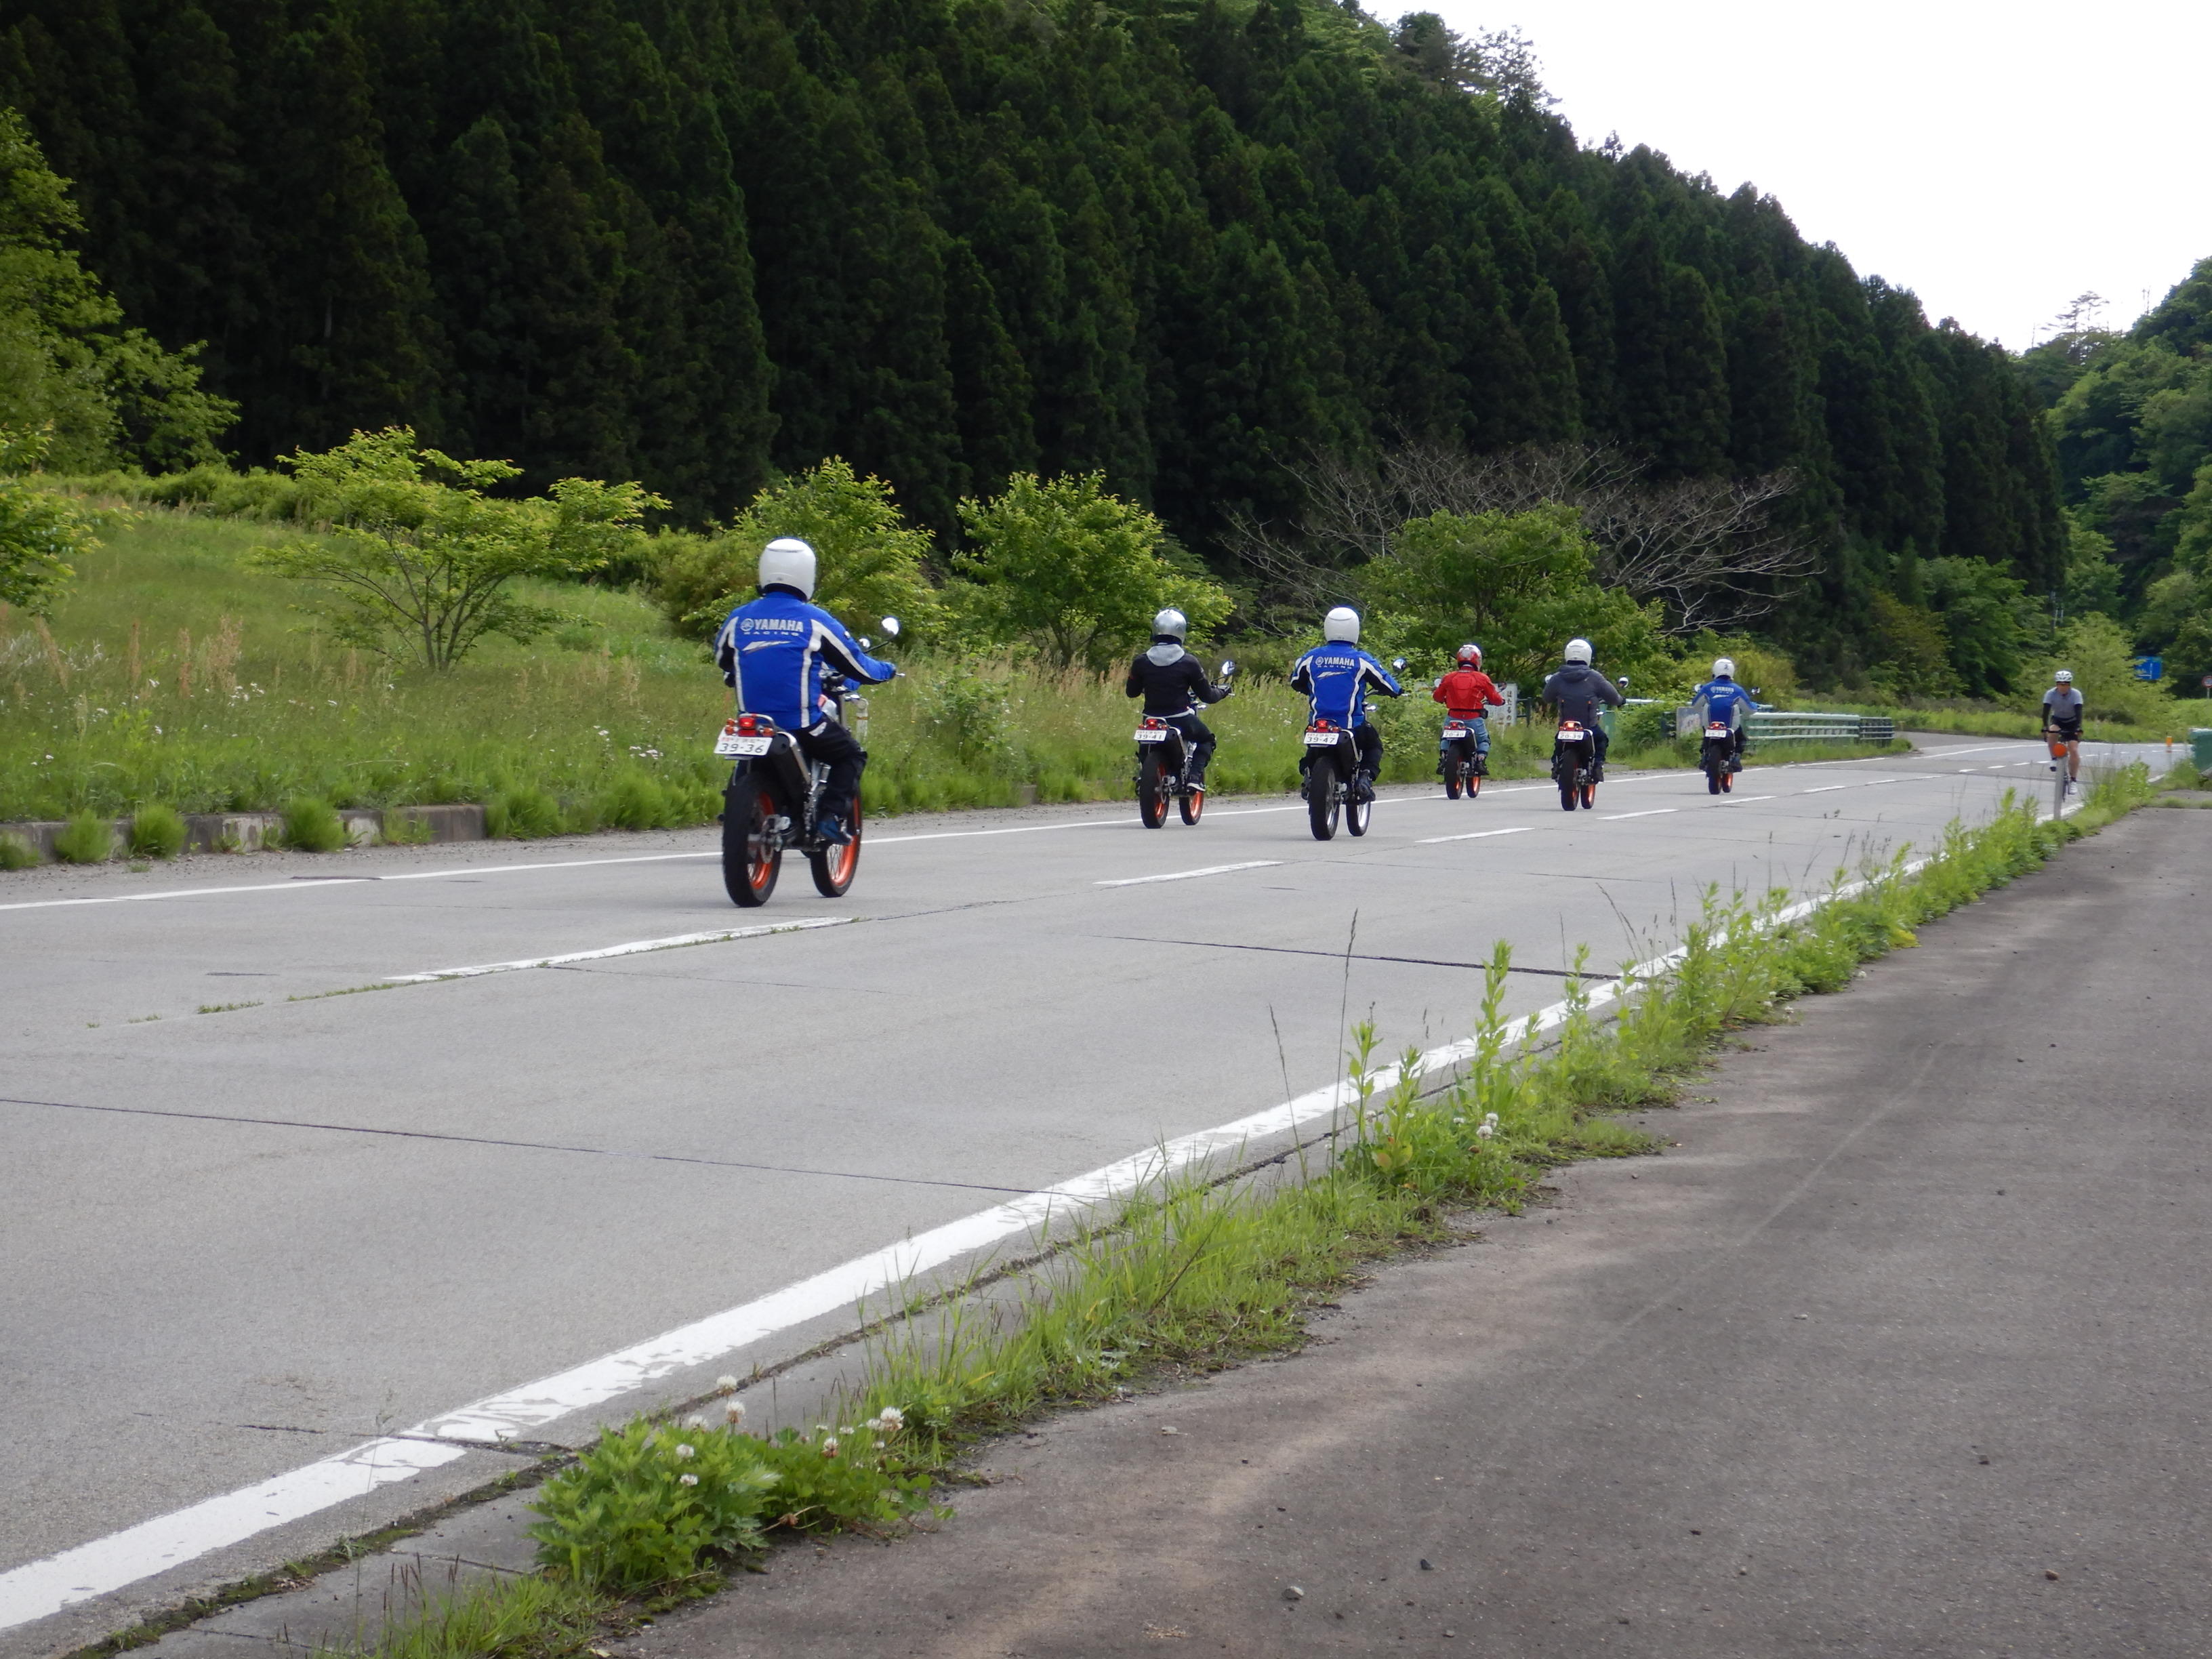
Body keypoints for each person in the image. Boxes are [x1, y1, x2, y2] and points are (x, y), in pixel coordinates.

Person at [713, 537, 897, 845]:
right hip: (802, 723)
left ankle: (742, 808)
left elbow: (723, 660)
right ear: (806, 575)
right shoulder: (815, 620)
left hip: (753, 723)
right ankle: (829, 818)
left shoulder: (739, 617)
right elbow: (858, 667)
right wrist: (887, 670)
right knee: (851, 755)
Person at [1290, 607, 1404, 801]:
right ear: (1355, 630)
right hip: (1351, 726)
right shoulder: (1361, 659)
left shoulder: (1311, 658)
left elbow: (1295, 682)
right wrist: (1397, 691)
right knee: (1373, 745)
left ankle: (1309, 775)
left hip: (1318, 725)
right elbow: (1387, 683)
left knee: (1310, 751)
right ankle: (1365, 778)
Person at [1125, 607, 1233, 796]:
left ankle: (1146, 773)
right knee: (1207, 739)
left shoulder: (1140, 661)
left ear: (1156, 629)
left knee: (1143, 741)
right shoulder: (1188, 662)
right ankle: (1194, 777)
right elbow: (1207, 696)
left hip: (1151, 718)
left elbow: (1131, 693)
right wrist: (1223, 692)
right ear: (1180, 631)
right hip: (1180, 718)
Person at [1538, 637, 1625, 778]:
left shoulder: (1557, 678)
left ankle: (1556, 765)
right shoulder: (1595, 677)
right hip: (1588, 727)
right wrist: (1621, 701)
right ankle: (1597, 766)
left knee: (1559, 743)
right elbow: (1613, 697)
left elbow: (1546, 697)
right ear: (1588, 655)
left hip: (1565, 727)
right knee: (1601, 739)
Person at [1432, 642, 1505, 775]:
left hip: (1453, 718)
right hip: (1473, 719)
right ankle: (1480, 761)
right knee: (1484, 740)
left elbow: (1437, 696)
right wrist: (1501, 702)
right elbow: (1495, 698)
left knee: (1445, 738)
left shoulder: (1449, 677)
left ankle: (1444, 759)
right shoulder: (1482, 678)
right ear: (1477, 660)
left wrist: (1445, 700)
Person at [1689, 656, 1757, 772]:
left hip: (1710, 724)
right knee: (1741, 739)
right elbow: (1749, 709)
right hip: (1730, 727)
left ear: (1715, 670)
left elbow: (1695, 705)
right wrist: (1755, 706)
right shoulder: (1737, 690)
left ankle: (1704, 756)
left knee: (1706, 733)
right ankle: (1736, 758)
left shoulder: (1708, 688)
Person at [2042, 668, 2084, 787]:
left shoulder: (2076, 694)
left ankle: (2073, 780)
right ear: (2057, 684)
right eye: (2060, 684)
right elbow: (2045, 712)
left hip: (2073, 722)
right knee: (2052, 731)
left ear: (2069, 685)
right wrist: (2045, 728)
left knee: (2074, 750)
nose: (2063, 687)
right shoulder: (2051, 694)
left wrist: (2079, 727)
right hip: (2058, 719)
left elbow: (2079, 712)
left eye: (2066, 684)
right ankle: (2054, 758)